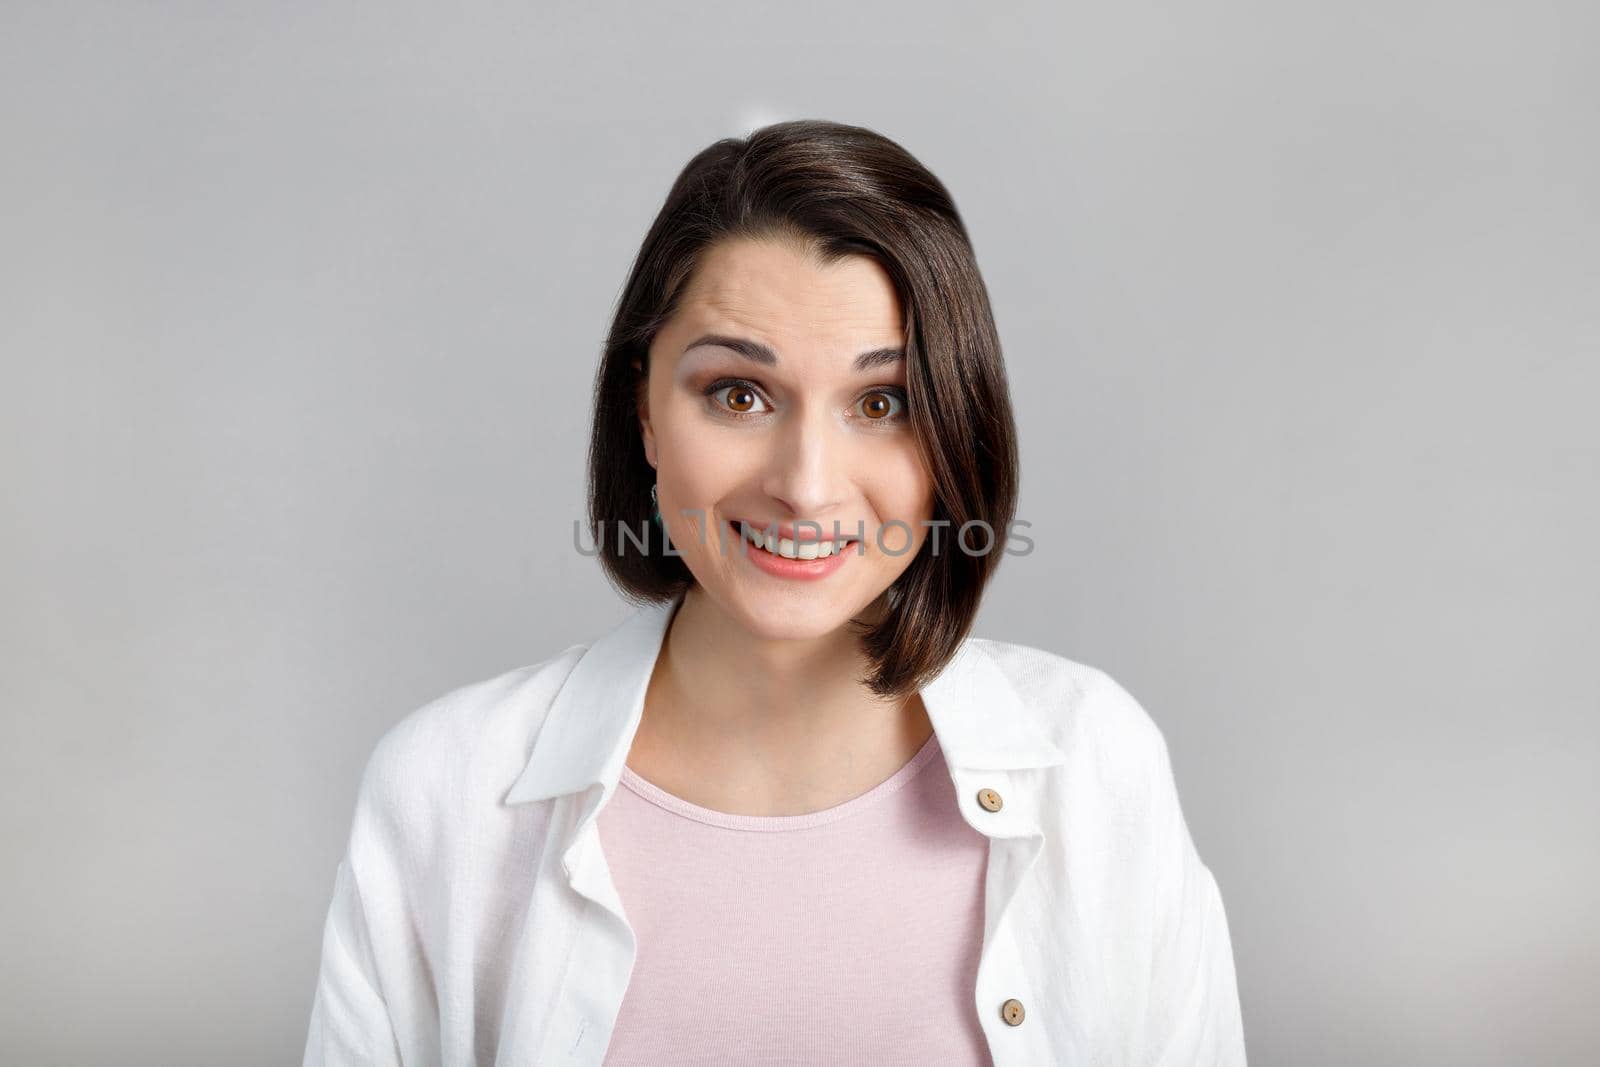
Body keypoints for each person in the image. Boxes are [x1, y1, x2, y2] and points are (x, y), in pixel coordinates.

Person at [302, 118, 1247, 1066]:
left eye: (882, 404)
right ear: (644, 409)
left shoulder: (1094, 766)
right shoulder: (446, 792)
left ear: (955, 429)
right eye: (738, 394)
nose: (805, 483)